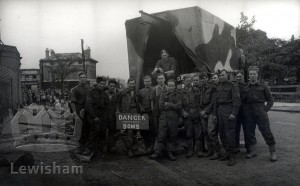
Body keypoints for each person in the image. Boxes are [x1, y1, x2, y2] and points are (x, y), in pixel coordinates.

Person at [242, 68, 277, 162]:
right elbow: (243, 101)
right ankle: (253, 151)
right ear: (249, 76)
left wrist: (265, 110)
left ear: (257, 75)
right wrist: (246, 111)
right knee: (249, 132)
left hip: (260, 111)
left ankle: (273, 152)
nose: (252, 75)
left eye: (254, 74)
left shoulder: (264, 86)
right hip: (249, 113)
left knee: (266, 132)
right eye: (250, 74)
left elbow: (270, 100)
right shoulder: (246, 88)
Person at [149, 79, 182, 161]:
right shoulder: (163, 94)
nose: (171, 87)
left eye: (172, 86)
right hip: (164, 118)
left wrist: (168, 104)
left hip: (174, 118)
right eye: (169, 86)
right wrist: (172, 106)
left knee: (172, 135)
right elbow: (161, 106)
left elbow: (179, 106)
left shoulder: (178, 95)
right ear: (167, 86)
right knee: (161, 135)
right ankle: (157, 152)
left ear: (174, 86)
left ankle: (170, 152)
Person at [213, 69, 240, 166]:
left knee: (230, 134)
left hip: (229, 110)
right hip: (220, 110)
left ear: (227, 75)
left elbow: (236, 101)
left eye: (222, 75)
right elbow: (216, 102)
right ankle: (227, 152)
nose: (221, 77)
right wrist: (215, 114)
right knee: (222, 133)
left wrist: (234, 113)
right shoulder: (218, 86)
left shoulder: (232, 85)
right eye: (219, 76)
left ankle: (232, 156)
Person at [81, 77, 109, 159]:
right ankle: (88, 149)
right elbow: (88, 106)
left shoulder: (104, 94)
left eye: (104, 84)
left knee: (103, 132)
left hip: (102, 117)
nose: (102, 85)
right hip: (93, 117)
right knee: (95, 130)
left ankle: (99, 151)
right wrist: (94, 117)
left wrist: (105, 117)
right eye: (101, 84)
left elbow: (107, 106)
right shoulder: (91, 92)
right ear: (97, 83)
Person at [116, 77, 141, 157]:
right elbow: (118, 103)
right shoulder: (122, 92)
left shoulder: (137, 93)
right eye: (130, 84)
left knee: (136, 131)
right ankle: (129, 150)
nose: (131, 85)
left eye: (133, 84)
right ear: (128, 84)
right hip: (126, 113)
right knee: (129, 132)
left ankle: (135, 147)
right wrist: (118, 111)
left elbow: (138, 104)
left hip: (135, 113)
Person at [199, 72, 220, 160]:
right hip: (203, 112)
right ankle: (210, 151)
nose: (202, 80)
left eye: (204, 78)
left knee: (211, 131)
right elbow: (199, 102)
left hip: (210, 112)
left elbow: (213, 102)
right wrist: (201, 111)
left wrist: (206, 112)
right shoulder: (201, 88)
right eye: (201, 78)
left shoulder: (212, 88)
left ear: (207, 78)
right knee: (205, 132)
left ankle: (217, 152)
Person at [180, 75, 201, 158]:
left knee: (198, 133)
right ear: (184, 82)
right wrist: (183, 112)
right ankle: (190, 151)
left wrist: (199, 112)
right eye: (186, 81)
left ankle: (199, 151)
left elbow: (200, 102)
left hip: (195, 114)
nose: (188, 82)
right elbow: (180, 105)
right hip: (187, 115)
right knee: (189, 133)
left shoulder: (196, 90)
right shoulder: (181, 92)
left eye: (189, 81)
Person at [70, 72, 90, 154]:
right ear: (79, 79)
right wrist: (75, 114)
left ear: (86, 78)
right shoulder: (75, 89)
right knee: (79, 131)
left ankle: (85, 148)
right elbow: (72, 102)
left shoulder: (89, 88)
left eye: (84, 77)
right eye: (81, 77)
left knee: (86, 130)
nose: (83, 79)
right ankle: (79, 148)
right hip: (79, 112)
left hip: (87, 112)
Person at [139, 75, 156, 153]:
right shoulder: (141, 91)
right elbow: (139, 102)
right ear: (143, 82)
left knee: (152, 130)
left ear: (151, 82)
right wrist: (141, 107)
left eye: (149, 81)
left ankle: (152, 146)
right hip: (144, 113)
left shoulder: (154, 89)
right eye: (146, 81)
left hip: (152, 113)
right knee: (144, 130)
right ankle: (146, 146)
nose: (147, 83)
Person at [234, 71, 248, 152]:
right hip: (236, 111)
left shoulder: (246, 86)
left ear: (242, 77)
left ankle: (248, 146)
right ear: (235, 78)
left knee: (246, 129)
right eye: (237, 77)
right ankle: (236, 146)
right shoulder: (233, 86)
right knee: (236, 129)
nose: (239, 78)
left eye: (240, 76)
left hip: (245, 111)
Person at [106, 79, 119, 153]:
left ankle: (110, 146)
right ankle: (101, 147)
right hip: (105, 116)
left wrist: (117, 111)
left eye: (113, 86)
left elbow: (117, 104)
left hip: (112, 116)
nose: (112, 87)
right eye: (111, 86)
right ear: (108, 86)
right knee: (103, 132)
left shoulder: (116, 95)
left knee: (112, 131)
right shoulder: (104, 94)